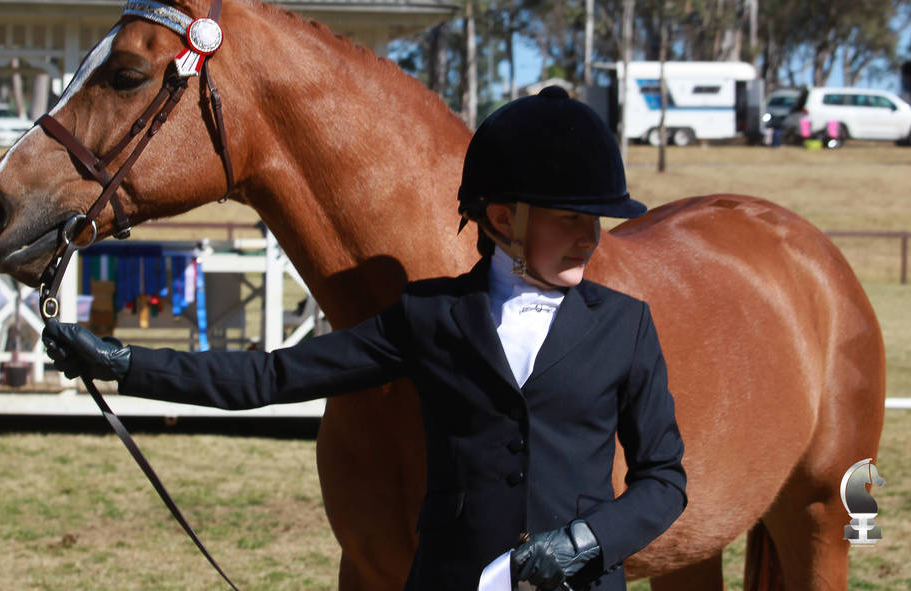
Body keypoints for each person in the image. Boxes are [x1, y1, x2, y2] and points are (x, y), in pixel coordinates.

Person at [43, 86, 686, 591]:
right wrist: (126, 364)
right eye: (571, 218)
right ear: (501, 220)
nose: (591, 236)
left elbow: (665, 480)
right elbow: (272, 377)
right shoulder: (430, 317)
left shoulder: (625, 325)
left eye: (595, 220)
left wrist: (586, 542)